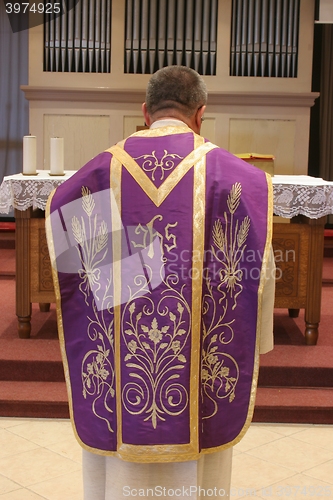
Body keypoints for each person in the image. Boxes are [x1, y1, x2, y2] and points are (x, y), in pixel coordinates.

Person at [46, 65, 275, 499]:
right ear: (200, 112)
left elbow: (82, 290)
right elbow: (256, 274)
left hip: (122, 392)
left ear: (146, 110)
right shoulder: (239, 181)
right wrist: (257, 338)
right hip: (198, 382)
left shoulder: (94, 178)